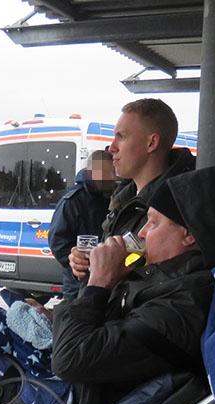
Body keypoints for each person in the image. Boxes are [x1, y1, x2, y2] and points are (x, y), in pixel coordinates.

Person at [51, 167, 215, 404]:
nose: (142, 233)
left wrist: (99, 283)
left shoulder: (180, 308)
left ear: (188, 235)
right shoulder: (163, 282)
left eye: (153, 223)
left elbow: (70, 359)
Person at [69, 98, 196, 286]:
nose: (111, 148)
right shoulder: (123, 198)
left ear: (151, 143)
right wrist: (87, 262)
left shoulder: (175, 207)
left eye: (121, 136)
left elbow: (148, 283)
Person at [49, 149, 116, 300]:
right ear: (93, 172)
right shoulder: (73, 201)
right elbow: (57, 241)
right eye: (108, 172)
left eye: (114, 171)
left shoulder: (110, 197)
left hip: (104, 282)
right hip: (78, 285)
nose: (113, 177)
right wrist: (78, 261)